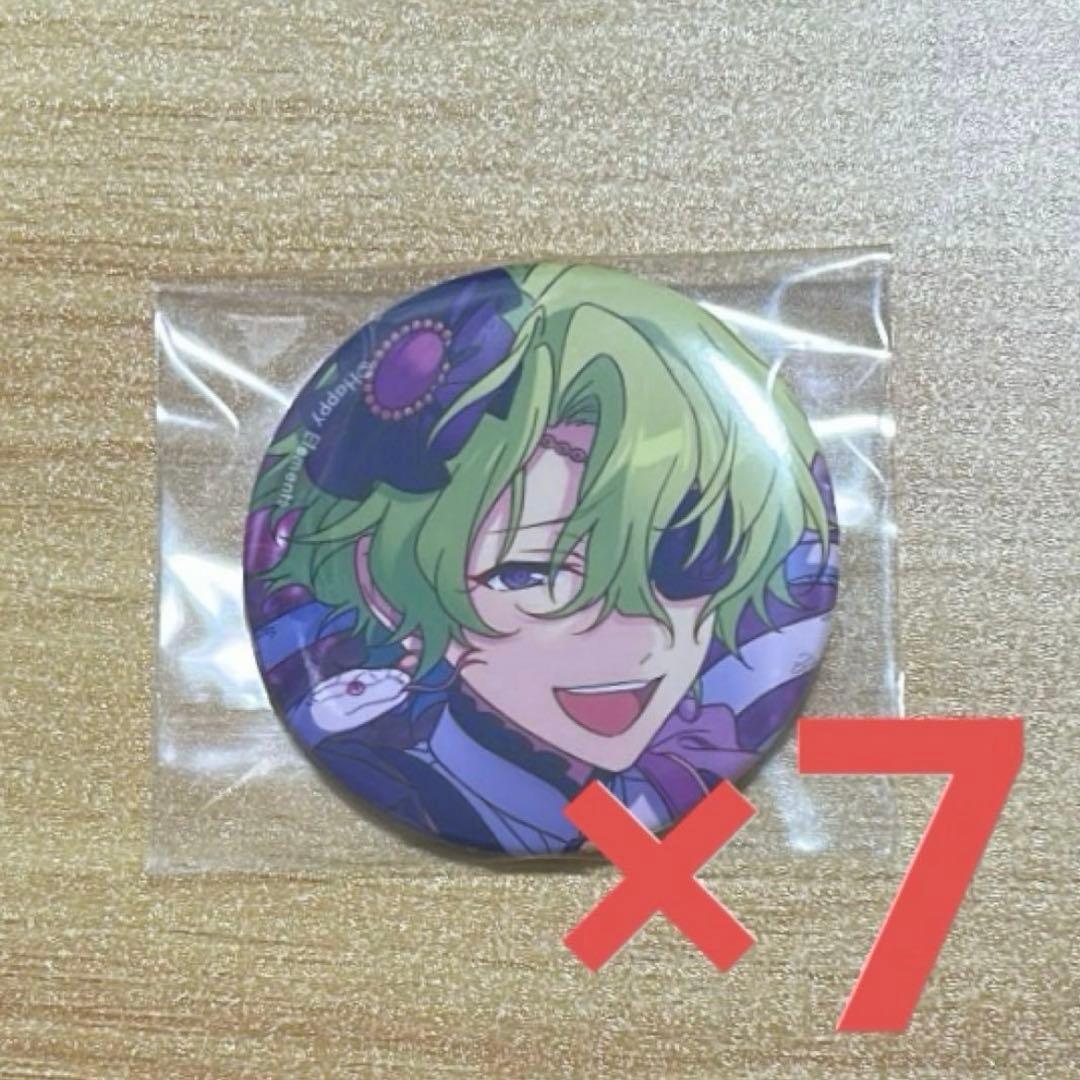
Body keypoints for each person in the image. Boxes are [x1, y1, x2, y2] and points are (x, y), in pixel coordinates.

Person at [244, 263, 838, 855]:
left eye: (690, 558)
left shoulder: (681, 765)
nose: (635, 643)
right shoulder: (408, 783)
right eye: (531, 574)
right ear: (383, 591)